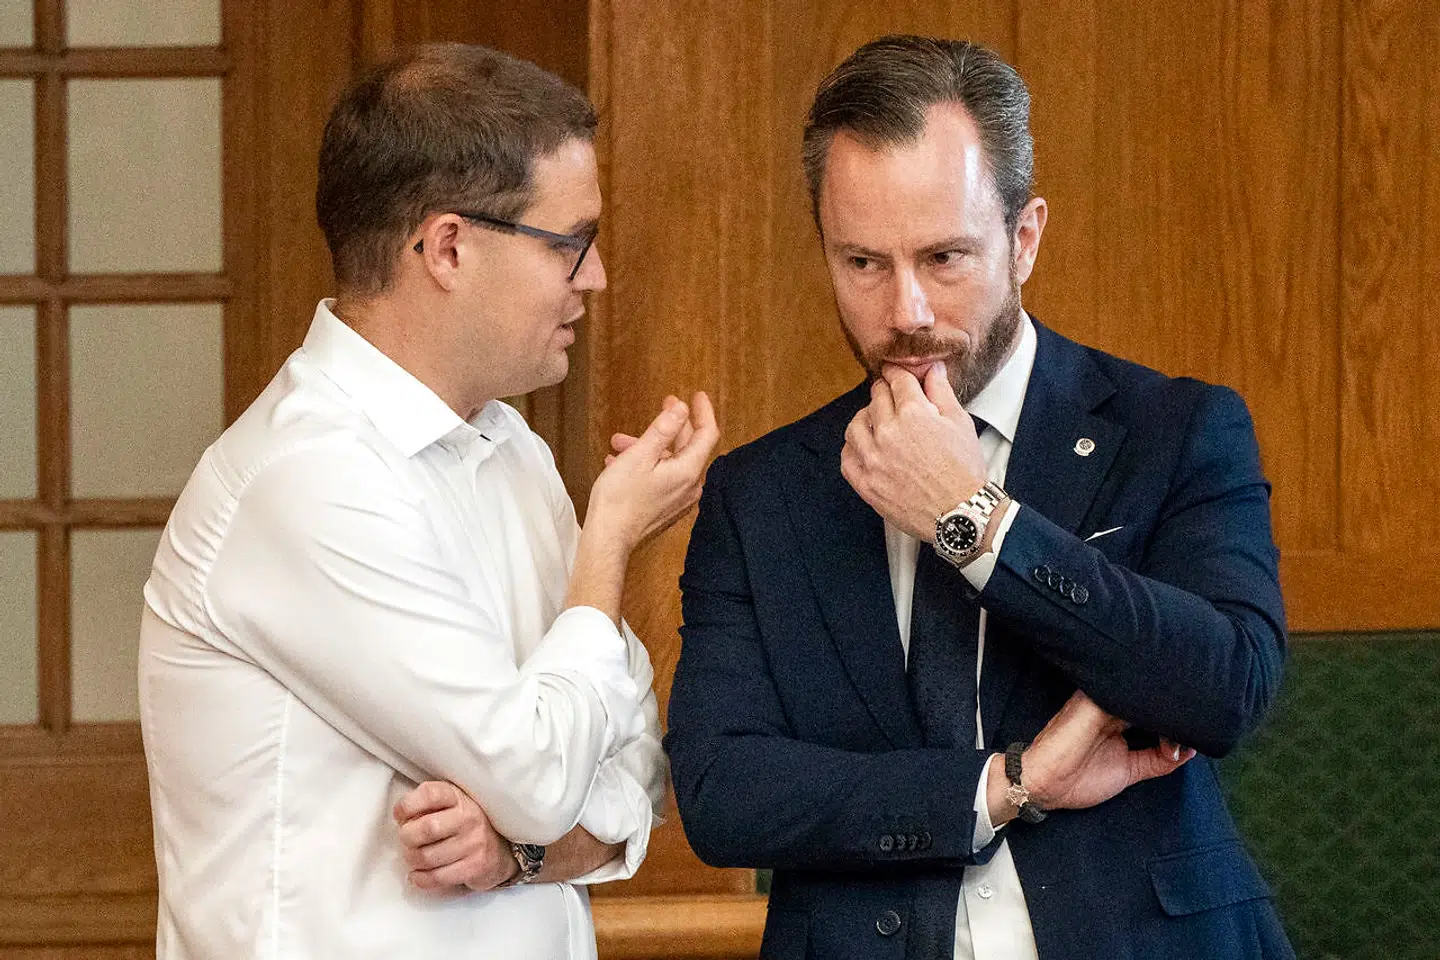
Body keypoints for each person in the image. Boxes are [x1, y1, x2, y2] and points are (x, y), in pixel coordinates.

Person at [666, 34, 1292, 960]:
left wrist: (972, 519)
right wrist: (1007, 785)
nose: (906, 313)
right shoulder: (761, 492)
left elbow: (1227, 685)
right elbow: (724, 793)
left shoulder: (1176, 430)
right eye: (863, 263)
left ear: (1024, 238)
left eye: (944, 258)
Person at [139, 43, 717, 959]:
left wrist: (519, 854)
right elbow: (541, 777)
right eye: (571, 243)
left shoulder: (511, 449)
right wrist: (607, 540)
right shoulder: (308, 476)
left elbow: (639, 768)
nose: (595, 277)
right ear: (449, 247)